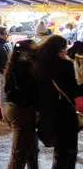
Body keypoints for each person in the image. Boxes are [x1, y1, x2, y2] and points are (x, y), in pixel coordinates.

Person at [34, 35, 83, 168]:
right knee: (68, 150)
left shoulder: (38, 65)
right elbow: (73, 91)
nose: (66, 51)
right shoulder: (65, 65)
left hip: (48, 113)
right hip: (65, 112)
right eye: (65, 48)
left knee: (59, 150)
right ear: (59, 50)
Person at [3, 40, 39, 169]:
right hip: (21, 110)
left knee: (30, 151)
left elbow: (6, 89)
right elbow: (32, 92)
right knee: (19, 156)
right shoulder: (25, 68)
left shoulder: (14, 65)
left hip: (12, 108)